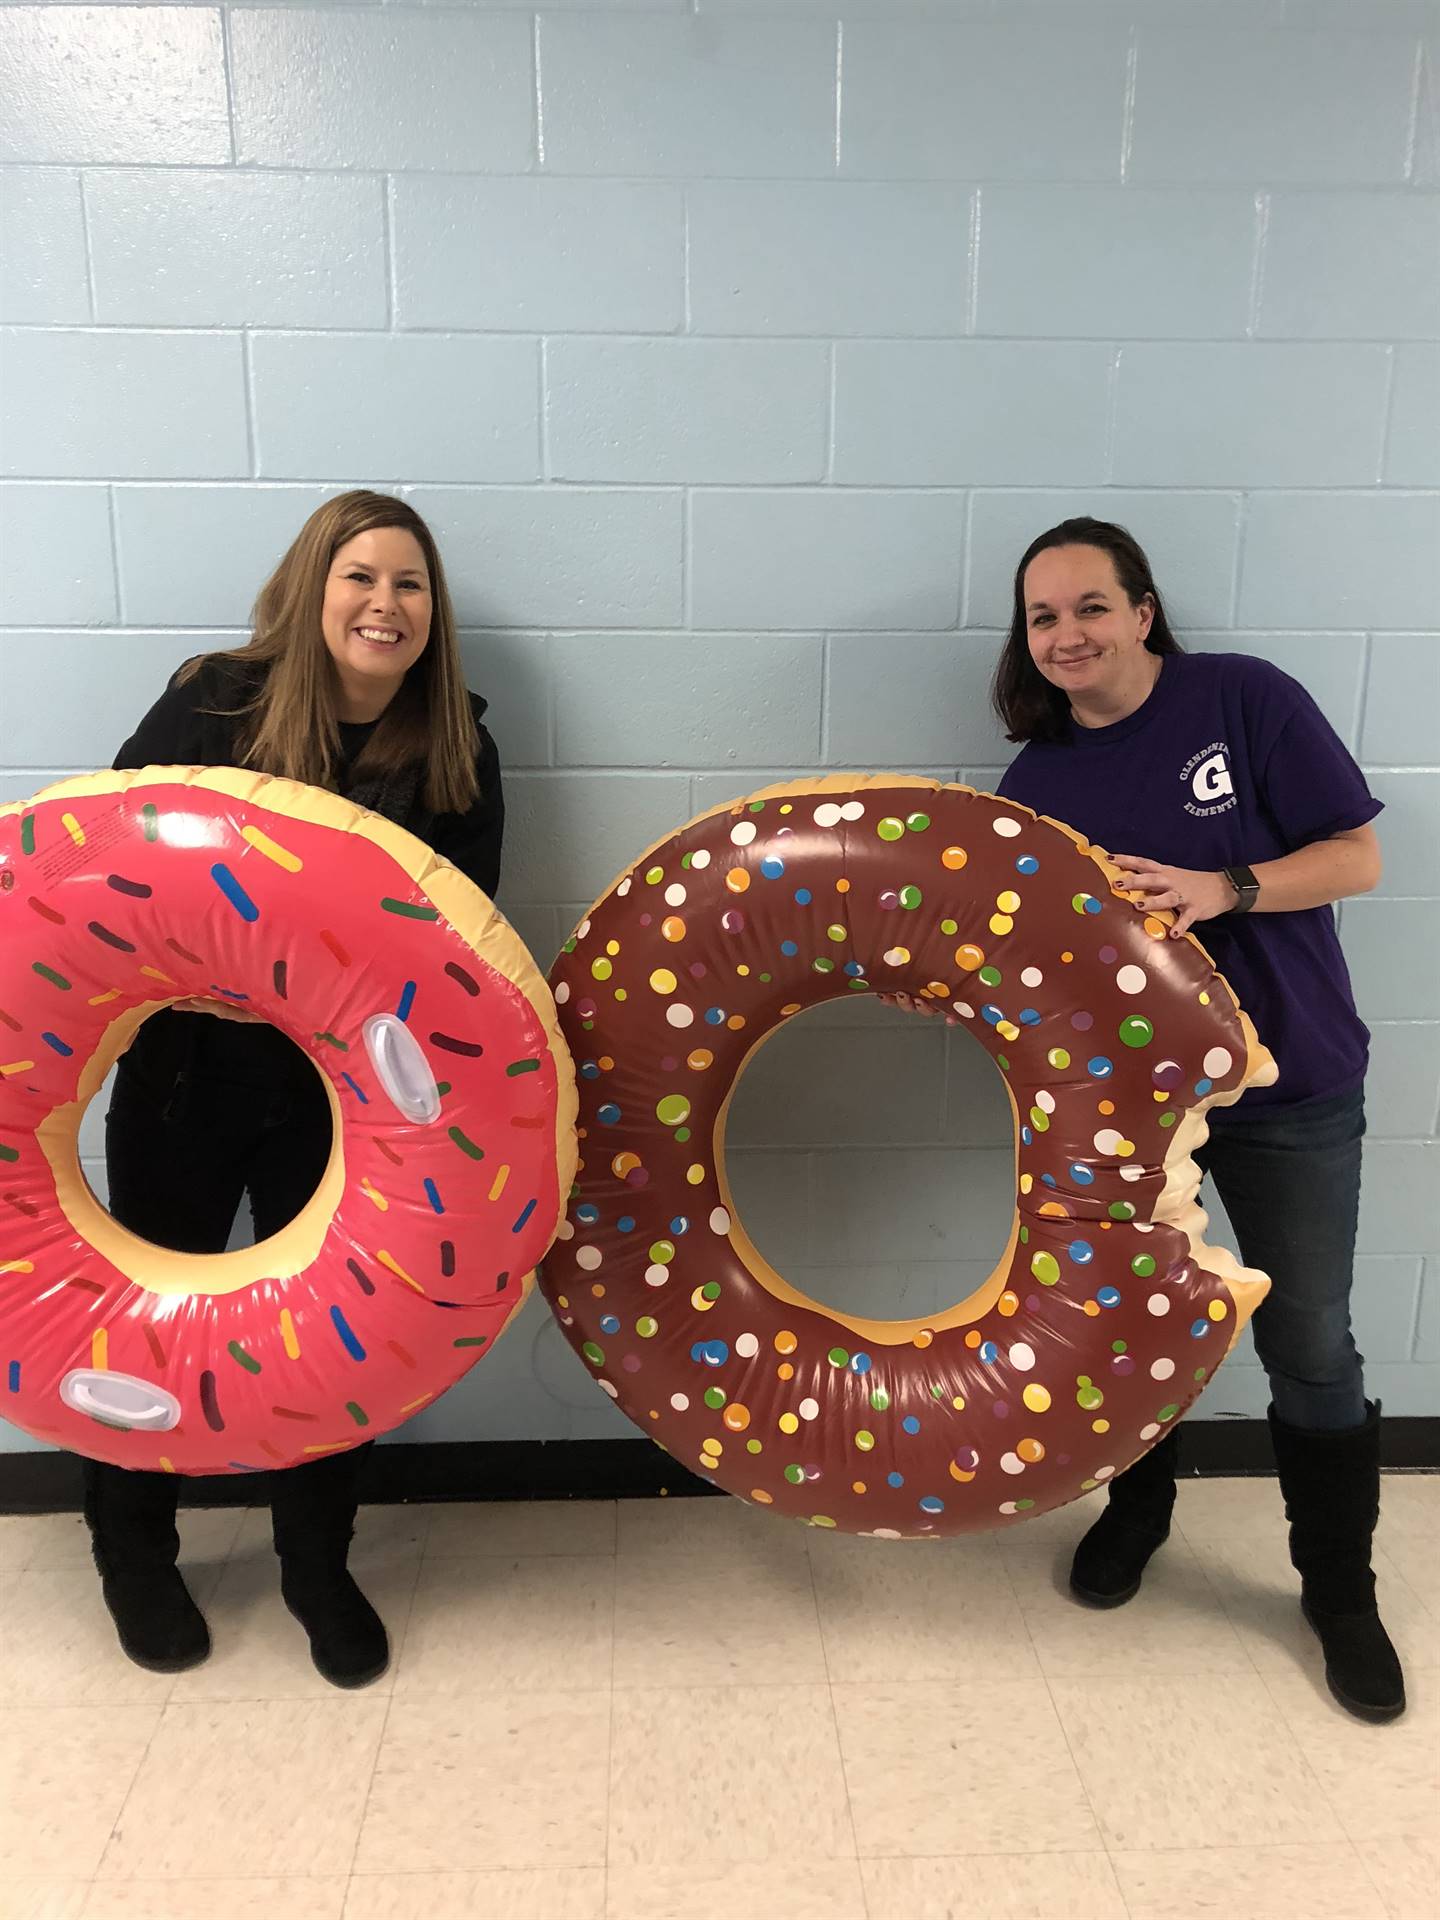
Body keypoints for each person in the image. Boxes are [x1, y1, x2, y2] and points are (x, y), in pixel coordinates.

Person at [889, 516, 1403, 1723]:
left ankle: (1340, 1591)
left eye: (1089, 607)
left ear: (1143, 611)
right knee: (1120, 1327)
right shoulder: (1041, 782)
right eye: (1044, 617)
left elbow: (1362, 857)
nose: (1067, 635)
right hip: (1123, 1119)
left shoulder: (1245, 701)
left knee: (1312, 1344)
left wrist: (1222, 890)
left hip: (1295, 1089)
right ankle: (1140, 1512)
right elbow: (1024, 962)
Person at [85, 490, 503, 1687]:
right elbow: (110, 860)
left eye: (410, 584)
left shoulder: (458, 743)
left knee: (333, 1338)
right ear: (313, 589)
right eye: (361, 577)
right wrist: (198, 976)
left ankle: (317, 1566)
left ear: (435, 612)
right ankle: (133, 1554)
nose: (387, 604)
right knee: (148, 1312)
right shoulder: (215, 701)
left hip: (347, 1107)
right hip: (185, 1078)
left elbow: (470, 946)